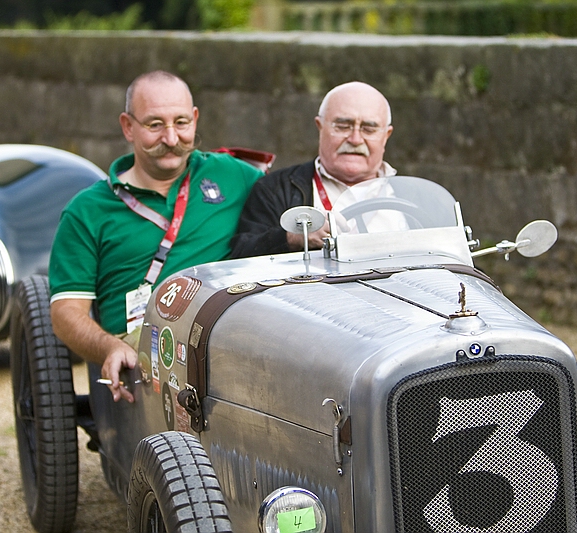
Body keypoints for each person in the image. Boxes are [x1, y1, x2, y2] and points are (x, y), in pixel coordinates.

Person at [49, 71, 264, 402]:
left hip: (227, 334)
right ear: (127, 127)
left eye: (181, 122)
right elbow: (66, 313)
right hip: (143, 345)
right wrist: (110, 346)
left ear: (195, 119)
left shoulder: (233, 175)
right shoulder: (87, 211)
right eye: (155, 125)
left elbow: (293, 209)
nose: (171, 137)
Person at [230, 81, 395, 258]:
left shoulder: (415, 196)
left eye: (369, 129)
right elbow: (242, 256)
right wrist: (292, 238)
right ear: (320, 127)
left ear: (386, 136)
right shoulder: (274, 189)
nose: (355, 139)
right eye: (342, 126)